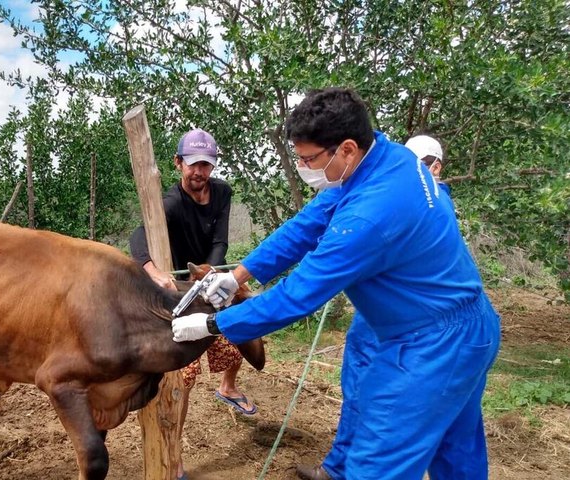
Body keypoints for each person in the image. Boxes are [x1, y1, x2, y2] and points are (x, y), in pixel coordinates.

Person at [171, 88, 501, 480]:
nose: (303, 166)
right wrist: (237, 275)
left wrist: (214, 324)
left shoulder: (369, 217)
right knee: (456, 450)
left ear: (345, 148)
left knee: (376, 465)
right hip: (467, 325)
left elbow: (299, 295)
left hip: (431, 345)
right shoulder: (385, 159)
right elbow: (304, 227)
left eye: (309, 159)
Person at [319, 134, 457, 480]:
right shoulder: (390, 194)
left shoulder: (436, 204)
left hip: (418, 326)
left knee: (394, 405)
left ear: (436, 166)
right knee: (356, 388)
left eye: (422, 164)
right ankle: (337, 466)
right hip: (373, 318)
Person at [129, 128, 256, 480]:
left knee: (244, 327)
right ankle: (174, 453)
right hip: (178, 290)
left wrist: (213, 274)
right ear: (178, 163)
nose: (199, 172)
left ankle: (228, 388)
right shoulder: (170, 203)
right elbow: (137, 238)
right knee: (182, 374)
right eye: (193, 165)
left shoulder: (222, 193)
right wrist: (154, 272)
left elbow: (220, 241)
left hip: (210, 279)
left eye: (206, 165)